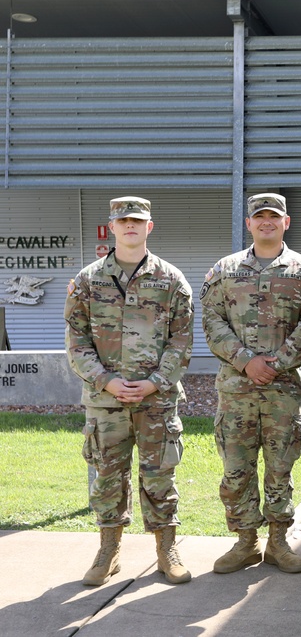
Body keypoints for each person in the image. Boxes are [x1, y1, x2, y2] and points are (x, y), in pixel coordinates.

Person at [65, 196, 194, 586]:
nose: (130, 226)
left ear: (149, 226)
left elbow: (181, 341)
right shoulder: (88, 281)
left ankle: (166, 550)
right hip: (106, 401)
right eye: (123, 222)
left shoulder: (171, 280)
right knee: (107, 476)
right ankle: (109, 550)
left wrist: (155, 381)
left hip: (156, 400)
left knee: (160, 476)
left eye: (137, 221)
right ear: (112, 227)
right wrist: (106, 380)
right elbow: (76, 341)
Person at [201, 192, 301, 576]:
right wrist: (245, 361)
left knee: (280, 467)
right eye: (259, 217)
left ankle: (278, 542)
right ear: (249, 223)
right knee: (236, 467)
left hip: (283, 391)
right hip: (236, 390)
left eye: (274, 217)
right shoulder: (225, 269)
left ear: (287, 222)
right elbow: (211, 320)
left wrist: (277, 363)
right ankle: (246, 541)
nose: (266, 222)